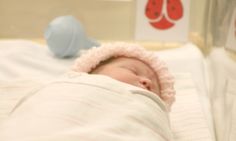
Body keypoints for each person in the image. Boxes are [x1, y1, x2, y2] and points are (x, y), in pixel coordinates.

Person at [0, 42, 176, 141]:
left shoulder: (149, 109)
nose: (146, 81)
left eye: (154, 86)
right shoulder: (69, 85)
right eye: (134, 71)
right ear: (92, 69)